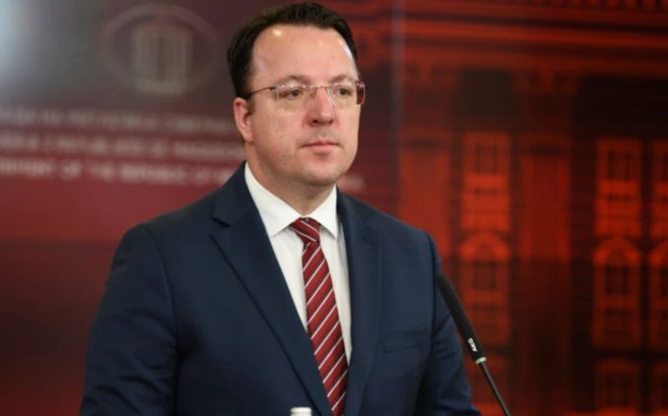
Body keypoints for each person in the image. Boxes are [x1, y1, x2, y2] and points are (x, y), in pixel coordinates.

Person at [81, 2, 480, 415]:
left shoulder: (411, 255)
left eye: (342, 91)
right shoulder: (162, 258)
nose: (324, 113)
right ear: (245, 118)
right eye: (293, 92)